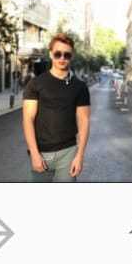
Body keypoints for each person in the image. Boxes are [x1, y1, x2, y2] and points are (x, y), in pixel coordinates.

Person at [22, 33, 91, 182]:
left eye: (67, 55)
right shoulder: (35, 84)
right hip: (41, 153)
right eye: (58, 54)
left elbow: (84, 121)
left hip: (68, 152)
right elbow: (28, 119)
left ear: (72, 56)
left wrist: (80, 156)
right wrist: (34, 153)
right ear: (50, 54)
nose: (62, 58)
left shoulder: (80, 87)